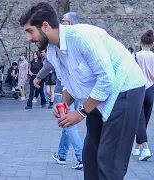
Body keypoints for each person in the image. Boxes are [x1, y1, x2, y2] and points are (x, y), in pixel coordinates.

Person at [19, 2, 147, 180]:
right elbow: (69, 83)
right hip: (97, 94)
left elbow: (106, 80)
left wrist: (80, 113)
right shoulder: (52, 51)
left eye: (30, 31)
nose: (28, 38)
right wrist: (63, 103)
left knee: (109, 160)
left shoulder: (82, 37)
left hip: (125, 90)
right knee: (91, 155)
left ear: (45, 26)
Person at [49, 12, 84, 170]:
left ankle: (80, 157)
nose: (61, 24)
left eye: (63, 21)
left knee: (69, 124)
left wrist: (83, 112)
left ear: (69, 23)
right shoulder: (69, 41)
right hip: (71, 90)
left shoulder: (75, 41)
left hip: (70, 90)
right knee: (67, 122)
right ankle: (62, 155)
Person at [132, 30, 154, 161]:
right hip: (151, 89)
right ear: (152, 44)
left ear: (141, 43)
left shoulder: (135, 56)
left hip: (139, 88)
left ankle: (145, 148)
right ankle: (136, 148)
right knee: (144, 119)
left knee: (138, 120)